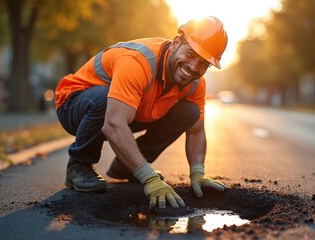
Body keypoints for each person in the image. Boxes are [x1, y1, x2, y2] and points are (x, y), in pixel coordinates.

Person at [54, 16, 228, 211]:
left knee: (190, 111)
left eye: (204, 63)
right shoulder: (138, 61)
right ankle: (79, 165)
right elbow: (114, 124)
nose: (194, 67)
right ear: (176, 43)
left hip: (128, 110)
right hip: (74, 105)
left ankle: (127, 167)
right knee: (104, 98)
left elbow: (196, 130)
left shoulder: (195, 83)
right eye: (190, 54)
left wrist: (198, 172)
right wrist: (149, 178)